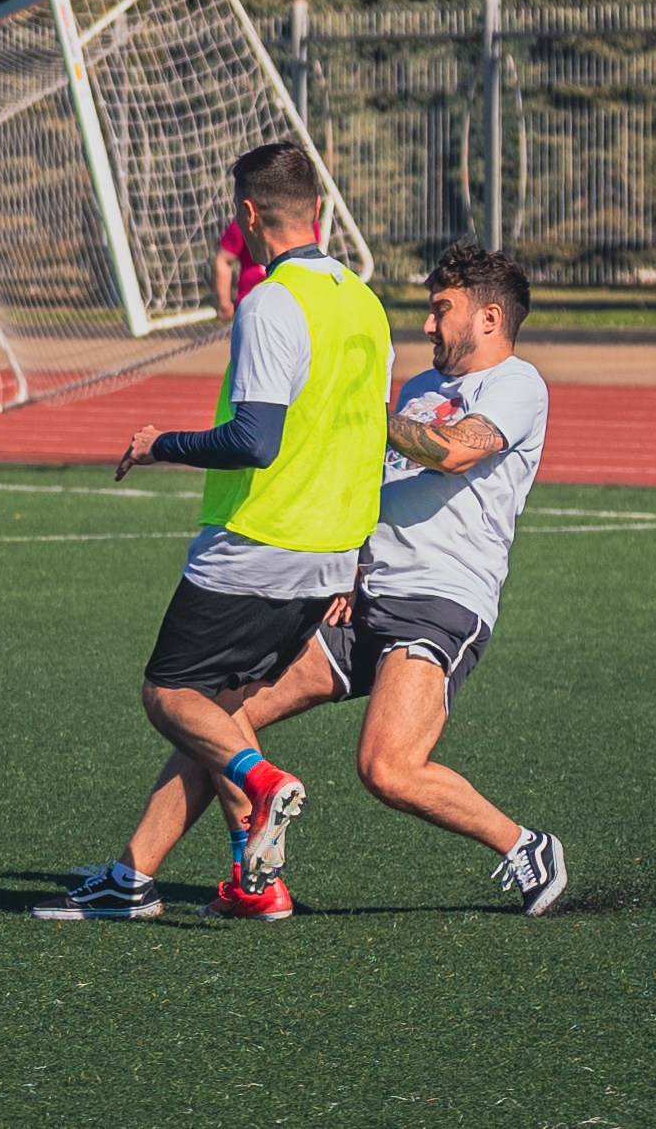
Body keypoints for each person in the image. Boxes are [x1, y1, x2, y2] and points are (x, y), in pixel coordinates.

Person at [61, 239, 567, 921]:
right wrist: (350, 563)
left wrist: (356, 418)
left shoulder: (516, 385)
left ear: (488, 317)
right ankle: (138, 878)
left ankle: (526, 846)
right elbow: (374, 483)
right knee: (222, 716)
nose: (425, 325)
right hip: (363, 595)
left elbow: (452, 452)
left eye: (440, 309)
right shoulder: (420, 389)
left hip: (439, 604)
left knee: (386, 769)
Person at [34, 141, 392, 920]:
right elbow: (369, 436)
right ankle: (246, 885)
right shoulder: (365, 303)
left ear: (248, 214)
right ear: (320, 212)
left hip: (258, 543)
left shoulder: (271, 301)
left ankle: (265, 786)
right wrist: (357, 559)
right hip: (331, 555)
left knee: (168, 696)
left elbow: (253, 440)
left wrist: (160, 444)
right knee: (220, 709)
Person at [212, 214, 321, 320]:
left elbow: (312, 259)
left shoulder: (303, 217)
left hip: (296, 305)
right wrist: (224, 303)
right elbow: (223, 260)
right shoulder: (246, 220)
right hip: (254, 309)